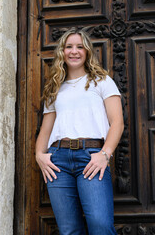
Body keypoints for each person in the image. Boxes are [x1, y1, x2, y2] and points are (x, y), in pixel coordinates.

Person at [36, 27, 124, 235]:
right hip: (58, 162)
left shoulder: (102, 81)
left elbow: (117, 122)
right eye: (69, 47)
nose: (74, 51)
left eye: (79, 47)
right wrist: (39, 155)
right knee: (69, 230)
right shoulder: (55, 88)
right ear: (62, 52)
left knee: (101, 226)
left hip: (91, 157)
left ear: (87, 52)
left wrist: (105, 154)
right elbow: (45, 130)